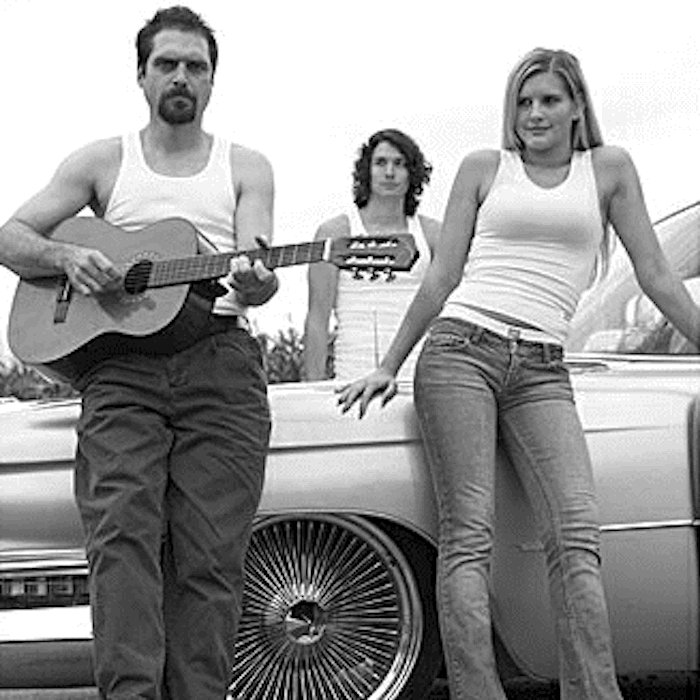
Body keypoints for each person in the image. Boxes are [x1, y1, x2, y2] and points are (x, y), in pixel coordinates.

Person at [338, 48, 700, 699]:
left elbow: (657, 275)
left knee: (576, 535)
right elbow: (442, 278)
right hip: (459, 353)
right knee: (468, 536)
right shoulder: (485, 168)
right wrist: (389, 364)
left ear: (576, 106)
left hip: (543, 368)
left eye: (549, 100)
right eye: (524, 102)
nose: (534, 113)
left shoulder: (609, 170)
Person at [0, 7, 277, 699]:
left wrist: (259, 280)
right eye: (167, 64)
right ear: (142, 75)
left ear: (212, 80)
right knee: (120, 541)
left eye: (196, 66)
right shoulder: (101, 161)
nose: (182, 76)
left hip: (221, 365)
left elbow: (259, 260)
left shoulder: (246, 166)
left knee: (212, 556)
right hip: (120, 370)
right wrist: (66, 256)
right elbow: (11, 236)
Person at [303, 128, 440, 381]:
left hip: (419, 378)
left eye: (399, 164)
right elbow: (317, 317)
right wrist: (313, 388)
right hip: (350, 376)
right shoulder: (335, 232)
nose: (389, 172)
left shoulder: (433, 235)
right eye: (380, 163)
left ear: (413, 173)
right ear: (366, 170)